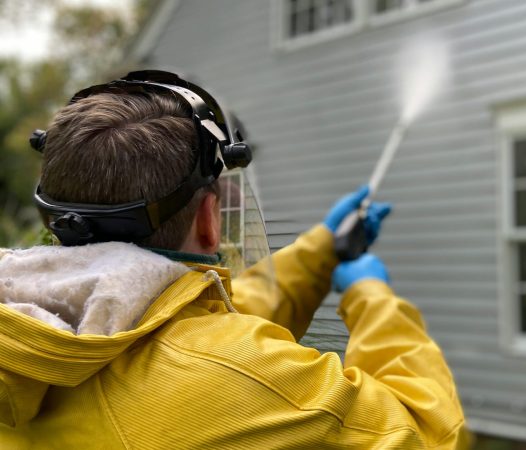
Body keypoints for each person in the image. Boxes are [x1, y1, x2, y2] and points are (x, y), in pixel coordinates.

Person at [0, 71, 466, 449]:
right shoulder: (227, 381)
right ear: (209, 216)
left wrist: (323, 249)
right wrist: (372, 296)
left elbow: (200, 325)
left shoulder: (34, 328)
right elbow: (422, 432)